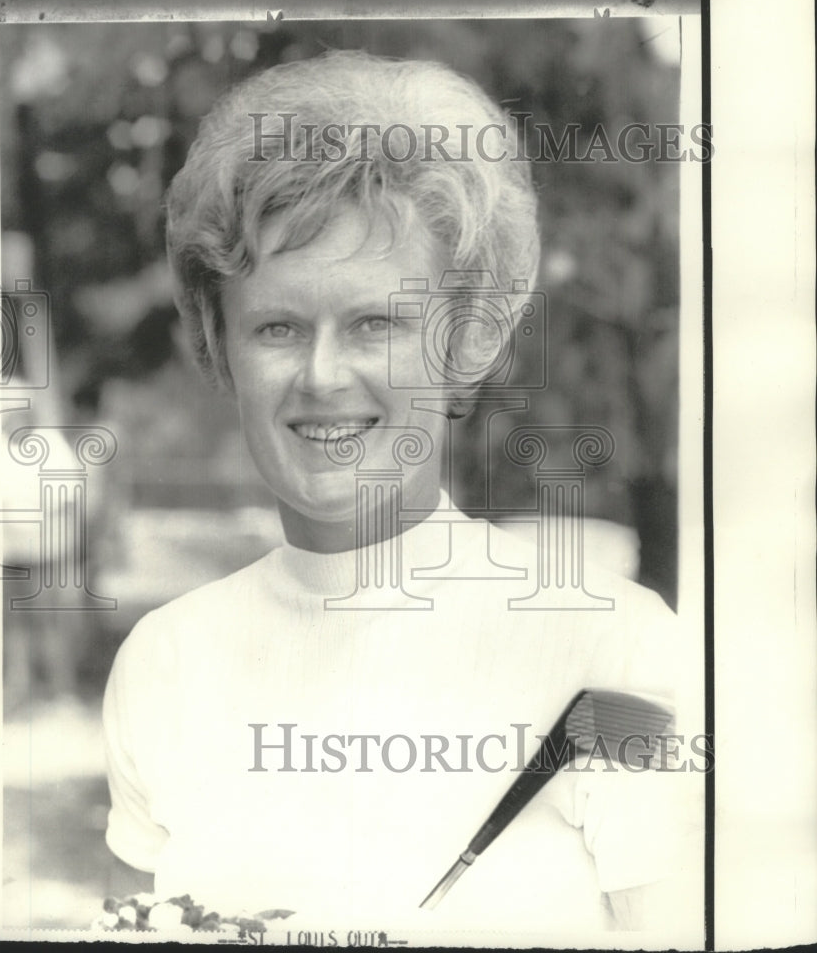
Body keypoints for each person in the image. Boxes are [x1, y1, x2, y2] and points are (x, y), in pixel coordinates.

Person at [102, 50, 702, 942]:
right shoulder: (164, 663)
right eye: (277, 326)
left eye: (376, 322)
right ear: (219, 345)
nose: (322, 375)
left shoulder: (614, 651)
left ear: (464, 342)